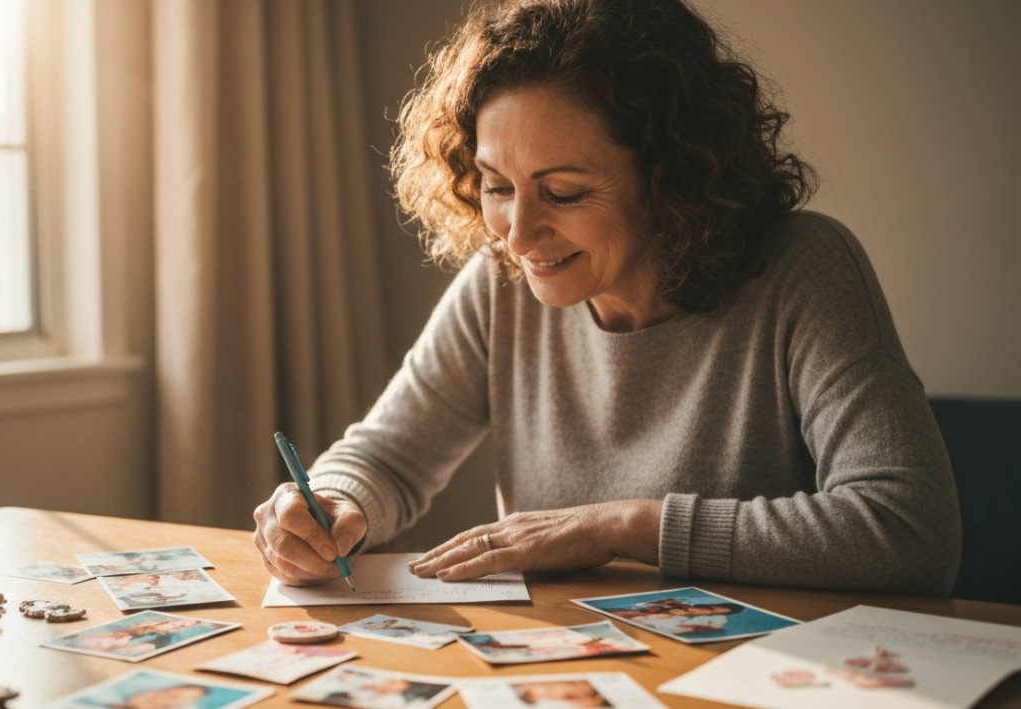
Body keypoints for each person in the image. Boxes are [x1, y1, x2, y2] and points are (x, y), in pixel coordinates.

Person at [252, 0, 960, 595]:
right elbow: (390, 455)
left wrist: (617, 525)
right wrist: (334, 501)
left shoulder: (805, 270)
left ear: (670, 176)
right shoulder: (502, 284)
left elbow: (908, 529)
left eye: (562, 191)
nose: (519, 234)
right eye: (498, 185)